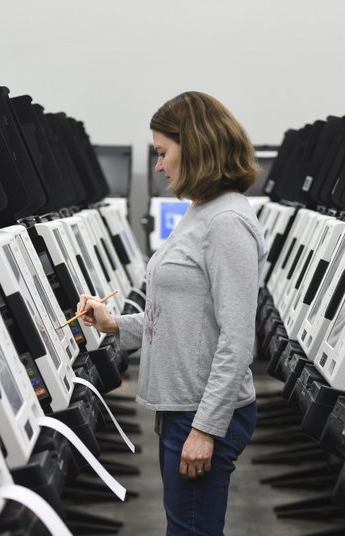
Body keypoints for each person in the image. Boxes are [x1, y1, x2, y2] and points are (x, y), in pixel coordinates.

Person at [78, 91, 267, 536]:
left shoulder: (226, 224)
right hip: (184, 407)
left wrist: (205, 430)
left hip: (201, 413)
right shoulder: (200, 212)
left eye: (163, 152)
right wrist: (113, 325)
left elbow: (237, 339)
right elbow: (183, 319)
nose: (159, 165)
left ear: (195, 146)